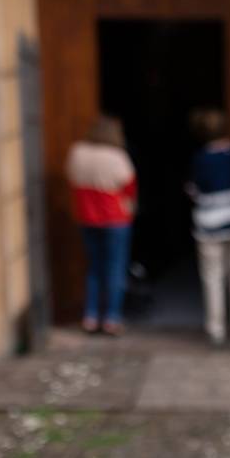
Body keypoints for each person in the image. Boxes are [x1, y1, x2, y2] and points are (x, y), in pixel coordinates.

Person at [186, 108, 230, 346]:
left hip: (210, 224)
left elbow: (195, 190)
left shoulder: (201, 158)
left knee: (213, 276)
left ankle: (217, 330)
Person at [66, 115, 137, 336]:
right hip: (114, 218)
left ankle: (90, 316)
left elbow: (71, 177)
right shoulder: (117, 156)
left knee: (94, 268)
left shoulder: (78, 152)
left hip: (87, 216)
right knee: (115, 268)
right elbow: (129, 187)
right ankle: (112, 319)